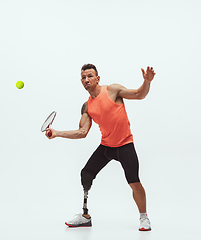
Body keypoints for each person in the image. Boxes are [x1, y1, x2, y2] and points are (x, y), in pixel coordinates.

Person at [45, 63, 155, 231]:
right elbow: (82, 132)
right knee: (86, 173)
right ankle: (85, 216)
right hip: (106, 146)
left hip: (125, 144)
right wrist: (57, 132)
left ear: (98, 78)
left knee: (134, 182)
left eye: (90, 76)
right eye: (83, 77)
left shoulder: (113, 90)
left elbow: (140, 94)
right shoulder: (87, 106)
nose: (86, 79)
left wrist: (147, 82)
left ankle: (144, 217)